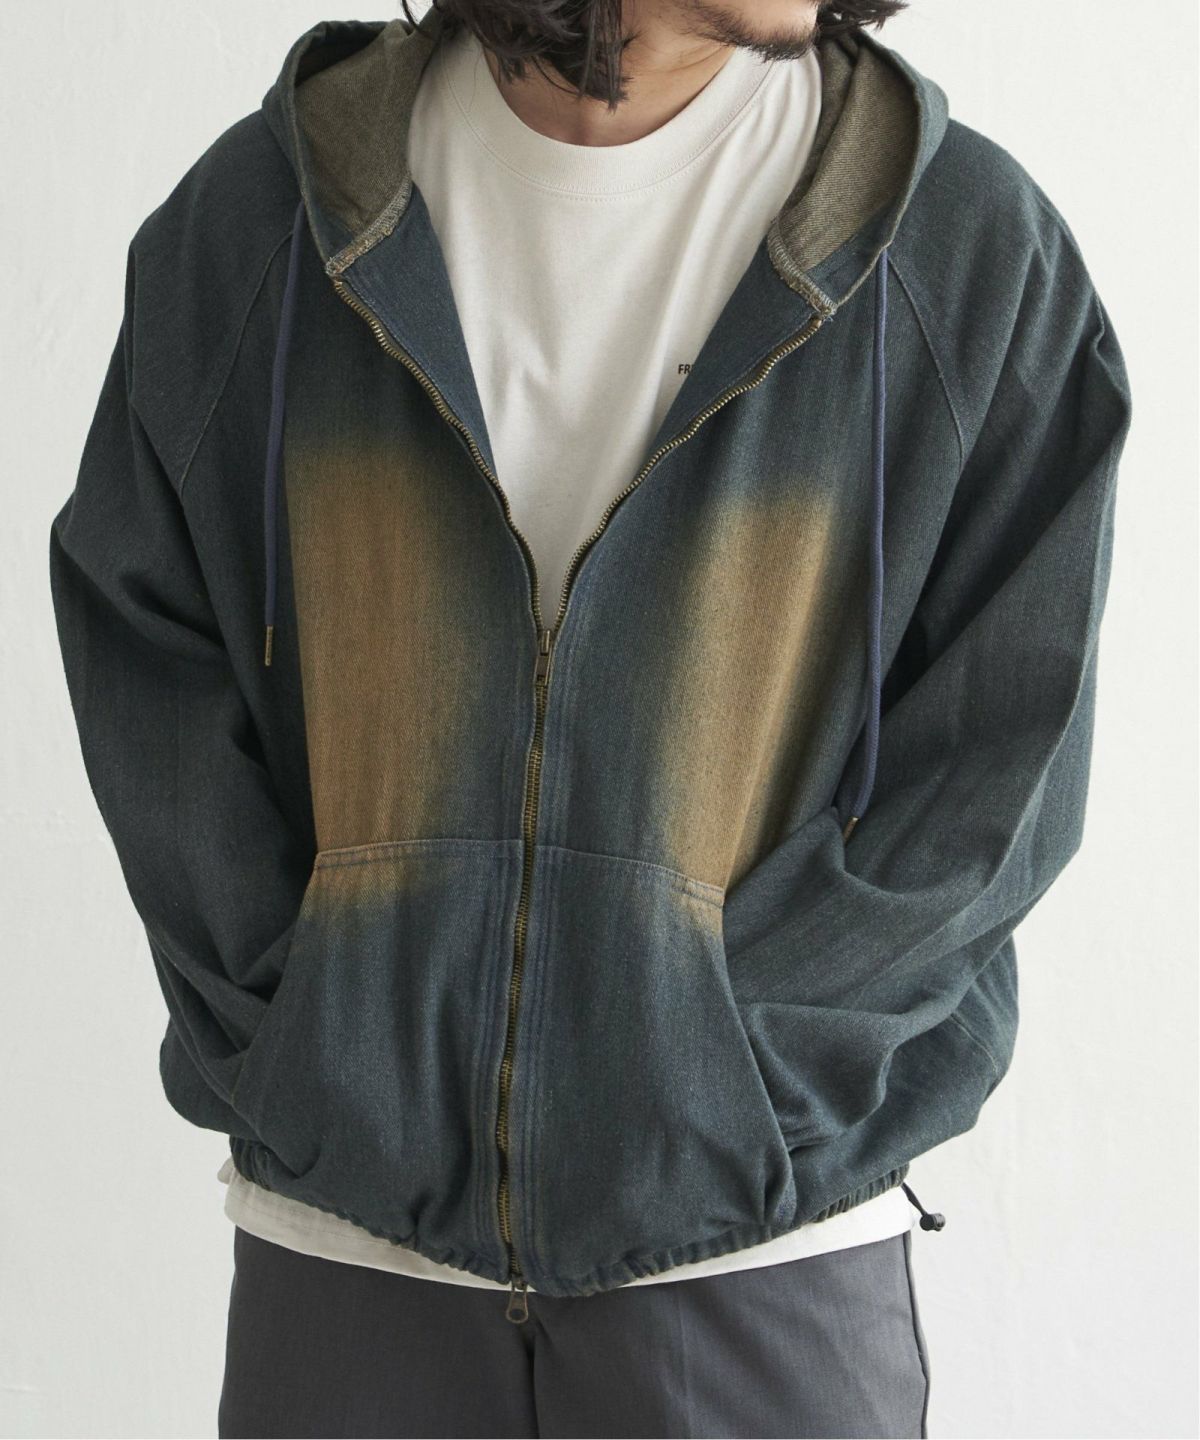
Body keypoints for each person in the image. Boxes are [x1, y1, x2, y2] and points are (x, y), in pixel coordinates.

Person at [47, 0, 1133, 1434]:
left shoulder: (959, 254)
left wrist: (731, 1082)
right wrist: (312, 1033)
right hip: (347, 1264)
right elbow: (147, 655)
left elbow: (999, 769)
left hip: (757, 1267)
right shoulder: (264, 226)